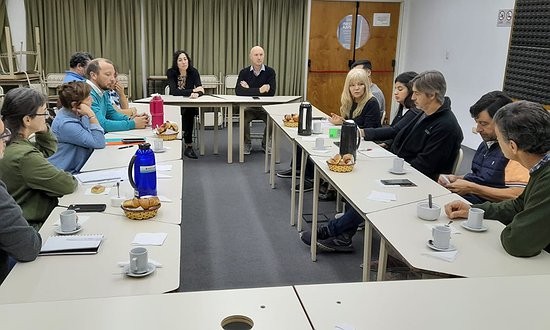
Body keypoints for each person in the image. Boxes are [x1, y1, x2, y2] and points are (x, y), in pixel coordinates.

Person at [300, 70, 463, 252]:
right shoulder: (422, 112)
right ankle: (343, 235)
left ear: (432, 95)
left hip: (419, 182)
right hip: (402, 169)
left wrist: (385, 172)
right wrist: (365, 135)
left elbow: (424, 167)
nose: (413, 97)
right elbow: (395, 131)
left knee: (371, 190)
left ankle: (333, 230)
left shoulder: (446, 126)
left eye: (416, 93)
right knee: (361, 181)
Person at [445, 101, 550, 257]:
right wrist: (474, 210)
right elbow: (519, 205)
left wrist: (509, 230)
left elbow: (518, 243)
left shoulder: (546, 177)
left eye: (499, 139)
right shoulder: (541, 167)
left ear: (512, 146)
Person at [278, 68, 381, 191]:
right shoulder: (351, 101)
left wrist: (343, 123)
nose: (356, 88)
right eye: (352, 85)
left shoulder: (372, 103)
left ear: (366, 86)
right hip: (349, 139)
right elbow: (351, 122)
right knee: (309, 143)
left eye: (360, 84)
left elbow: (367, 130)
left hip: (364, 145)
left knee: (319, 149)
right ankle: (305, 173)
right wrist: (341, 121)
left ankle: (313, 180)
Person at [0, 88, 78, 228]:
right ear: (27, 119)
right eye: (43, 112)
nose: (47, 117)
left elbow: (46, 150)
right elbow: (67, 184)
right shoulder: (24, 156)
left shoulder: (10, 143)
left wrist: (43, 129)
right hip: (33, 227)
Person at [438, 91, 528, 203]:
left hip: (489, 209)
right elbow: (482, 177)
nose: (478, 129)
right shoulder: (486, 144)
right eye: (477, 123)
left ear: (503, 122)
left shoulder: (515, 151)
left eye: (484, 124)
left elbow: (517, 195)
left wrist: (472, 188)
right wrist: (458, 179)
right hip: (473, 199)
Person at [0, 117, 42, 284]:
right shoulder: (23, 155)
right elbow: (28, 247)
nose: (6, 139)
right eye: (1, 135)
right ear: (27, 119)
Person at [48, 82, 106, 173]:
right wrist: (92, 115)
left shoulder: (79, 113)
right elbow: (99, 142)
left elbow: (96, 135)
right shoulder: (66, 124)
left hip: (81, 166)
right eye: (88, 98)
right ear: (75, 105)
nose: (92, 101)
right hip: (66, 173)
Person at [86, 58, 149, 132]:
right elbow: (101, 124)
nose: (113, 79)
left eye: (114, 75)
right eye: (108, 74)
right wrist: (133, 123)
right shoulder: (86, 93)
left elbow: (111, 114)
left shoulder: (103, 91)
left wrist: (130, 118)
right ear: (93, 75)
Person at [360, 71, 420, 147]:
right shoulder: (403, 108)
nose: (395, 92)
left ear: (411, 91)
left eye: (400, 89)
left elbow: (394, 131)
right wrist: (387, 143)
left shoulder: (415, 112)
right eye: (395, 88)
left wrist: (363, 132)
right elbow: (396, 132)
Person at [236, 46, 276, 155]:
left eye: (261, 55)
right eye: (256, 55)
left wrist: (248, 89)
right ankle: (247, 143)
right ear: (251, 57)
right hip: (249, 108)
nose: (259, 58)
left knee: (273, 120)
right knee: (243, 118)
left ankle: (265, 143)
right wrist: (260, 90)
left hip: (265, 108)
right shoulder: (244, 72)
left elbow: (271, 92)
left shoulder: (270, 72)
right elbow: (239, 91)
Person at [166, 50, 204, 159]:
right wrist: (192, 90)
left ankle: (188, 146)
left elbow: (201, 89)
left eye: (185, 59)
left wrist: (197, 93)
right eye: (180, 60)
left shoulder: (193, 72)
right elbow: (174, 91)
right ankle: (178, 142)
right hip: (174, 105)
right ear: (176, 63)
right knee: (182, 111)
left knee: (190, 110)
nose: (183, 62)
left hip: (189, 104)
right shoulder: (171, 72)